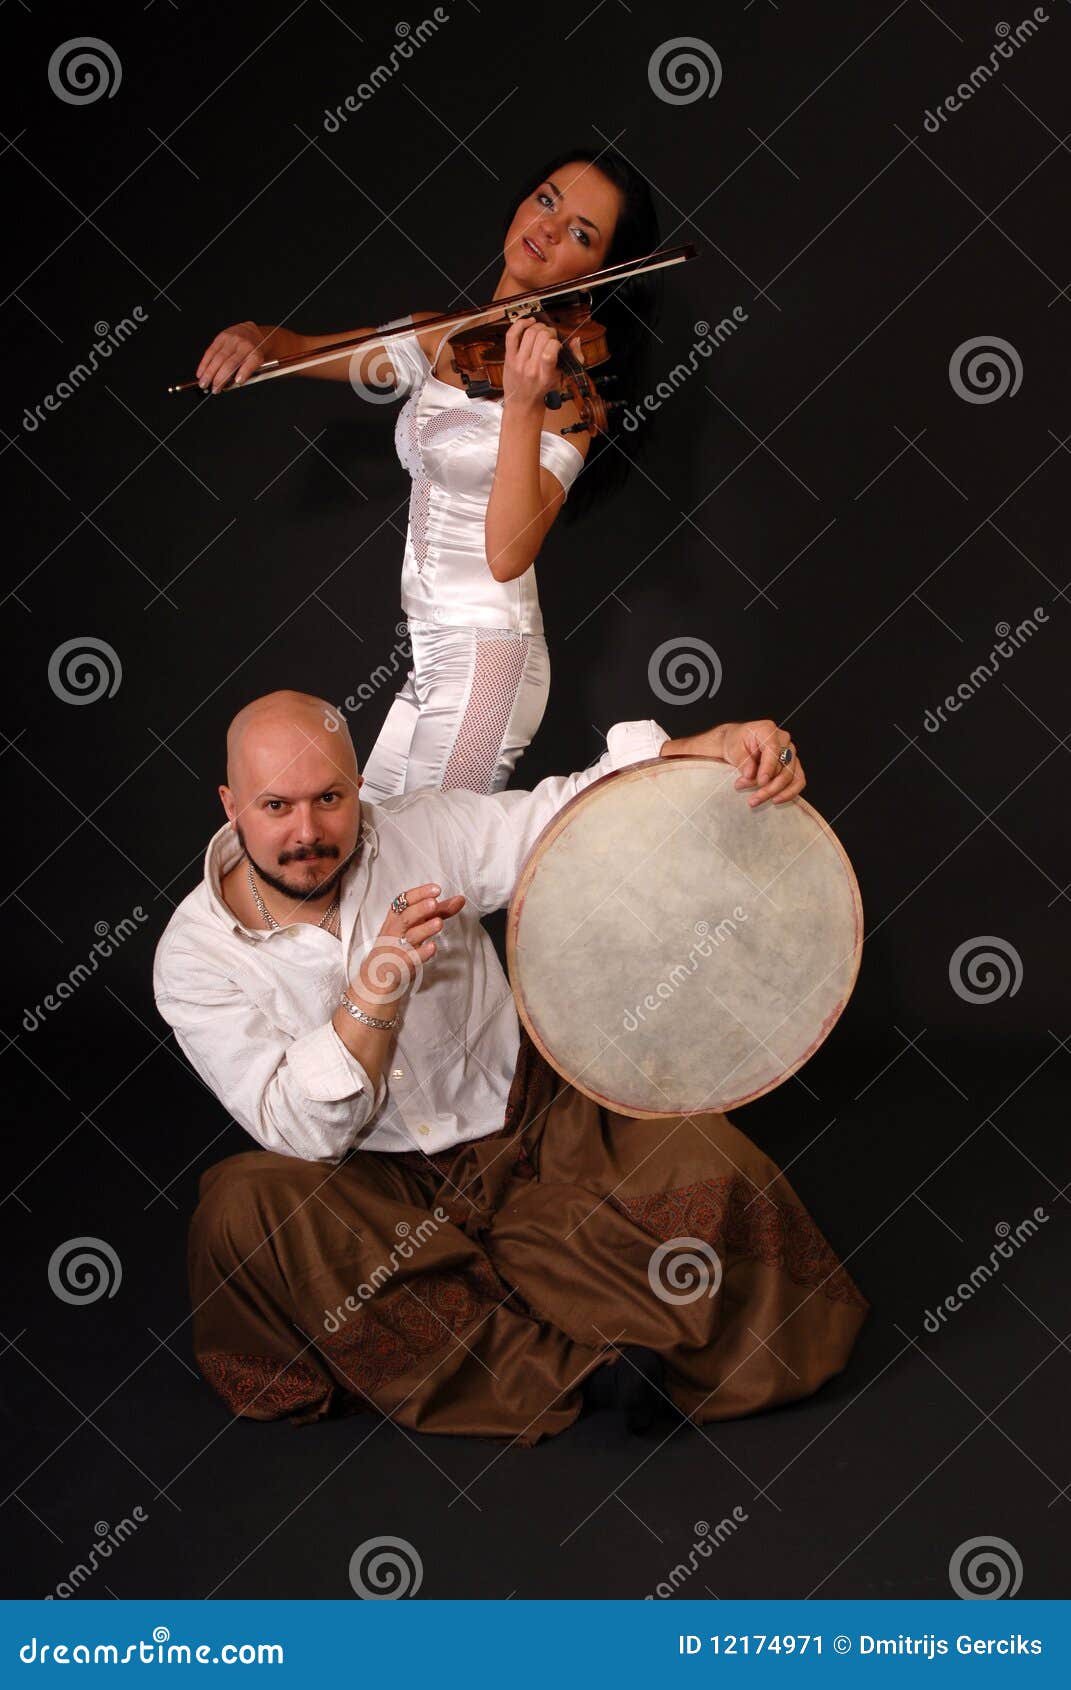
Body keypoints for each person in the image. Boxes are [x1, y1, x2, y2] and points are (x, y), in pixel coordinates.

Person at [153, 690, 868, 1443]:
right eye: (275, 806)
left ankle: (524, 1300)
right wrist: (375, 990)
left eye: (328, 798)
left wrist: (706, 744)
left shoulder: (422, 830)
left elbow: (566, 819)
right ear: (231, 805)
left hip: (532, 1125)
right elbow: (301, 1131)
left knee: (706, 1159)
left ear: (356, 786)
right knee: (242, 1209)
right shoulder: (195, 955)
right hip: (367, 1183)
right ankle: (572, 1369)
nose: (307, 832)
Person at [193, 148, 663, 799]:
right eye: (547, 199)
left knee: (430, 881)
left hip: (489, 657)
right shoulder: (442, 339)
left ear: (598, 274)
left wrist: (524, 407)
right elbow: (300, 350)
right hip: (431, 652)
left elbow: (507, 554)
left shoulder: (571, 398)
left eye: (581, 232)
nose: (549, 228)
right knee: (376, 856)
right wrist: (255, 337)